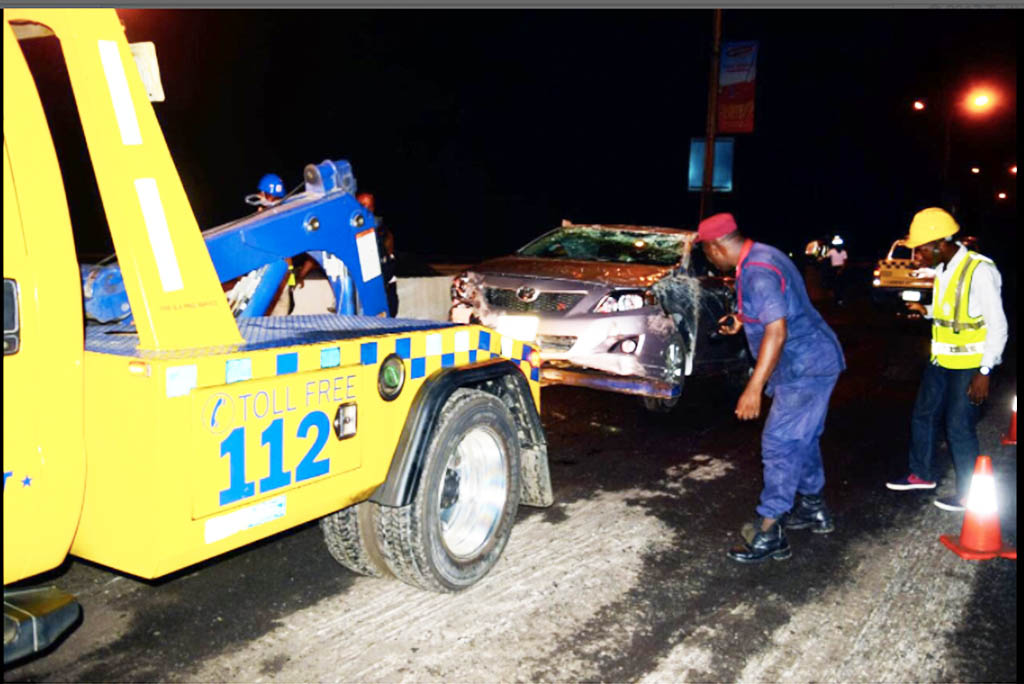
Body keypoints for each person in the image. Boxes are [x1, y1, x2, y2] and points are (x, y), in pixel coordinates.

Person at [697, 213, 846, 563]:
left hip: (805, 366)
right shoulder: (763, 254)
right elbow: (777, 309)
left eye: (707, 253)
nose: (709, 260)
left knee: (780, 442)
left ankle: (769, 531)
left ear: (716, 247)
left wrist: (753, 388)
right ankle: (812, 508)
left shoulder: (757, 270)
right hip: (812, 361)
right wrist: (741, 320)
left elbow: (777, 332)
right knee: (801, 437)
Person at [885, 208, 1007, 511]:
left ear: (940, 243)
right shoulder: (944, 268)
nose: (917, 256)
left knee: (958, 426)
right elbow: (951, 314)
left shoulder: (979, 270)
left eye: (922, 249)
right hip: (941, 360)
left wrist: (985, 370)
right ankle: (921, 474)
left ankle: (969, 493)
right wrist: (924, 311)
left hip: (970, 363)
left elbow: (998, 325)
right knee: (923, 415)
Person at [357, 192, 400, 316]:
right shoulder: (350, 231)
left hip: (385, 288)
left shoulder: (382, 231)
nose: (366, 209)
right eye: (362, 205)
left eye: (369, 206)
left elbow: (389, 259)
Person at [825, 235, 848, 305]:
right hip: (840, 268)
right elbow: (845, 262)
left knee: (837, 285)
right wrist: (841, 269)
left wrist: (840, 270)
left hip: (836, 269)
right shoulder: (843, 251)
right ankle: (839, 299)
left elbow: (825, 257)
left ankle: (838, 300)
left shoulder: (832, 251)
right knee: (840, 285)